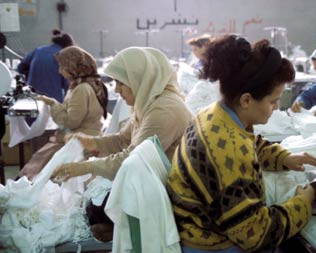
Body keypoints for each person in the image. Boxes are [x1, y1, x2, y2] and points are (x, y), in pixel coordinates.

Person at [167, 35, 316, 253]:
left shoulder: (215, 114)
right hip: (213, 249)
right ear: (246, 100)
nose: (276, 107)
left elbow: (251, 144)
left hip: (199, 231)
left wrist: (283, 157)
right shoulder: (227, 148)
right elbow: (257, 236)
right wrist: (302, 203)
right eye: (273, 101)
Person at [49, 47, 193, 241]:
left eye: (120, 83)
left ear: (139, 79)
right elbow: (122, 140)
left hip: (169, 192)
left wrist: (85, 167)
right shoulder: (149, 103)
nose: (116, 90)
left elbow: (133, 160)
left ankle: (122, 227)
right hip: (148, 182)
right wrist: (90, 142)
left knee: (97, 205)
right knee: (92, 201)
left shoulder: (165, 110)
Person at [20, 46, 108, 179]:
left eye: (62, 67)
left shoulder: (81, 89)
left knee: (38, 168)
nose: (60, 71)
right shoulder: (81, 86)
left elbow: (71, 122)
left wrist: (53, 105)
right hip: (82, 137)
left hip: (81, 142)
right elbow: (71, 112)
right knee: (40, 161)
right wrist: (51, 102)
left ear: (73, 67)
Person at [17, 29, 74, 103]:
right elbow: (68, 84)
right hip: (53, 98)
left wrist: (33, 74)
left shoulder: (38, 50)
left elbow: (21, 68)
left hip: (32, 96)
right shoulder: (63, 55)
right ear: (68, 45)